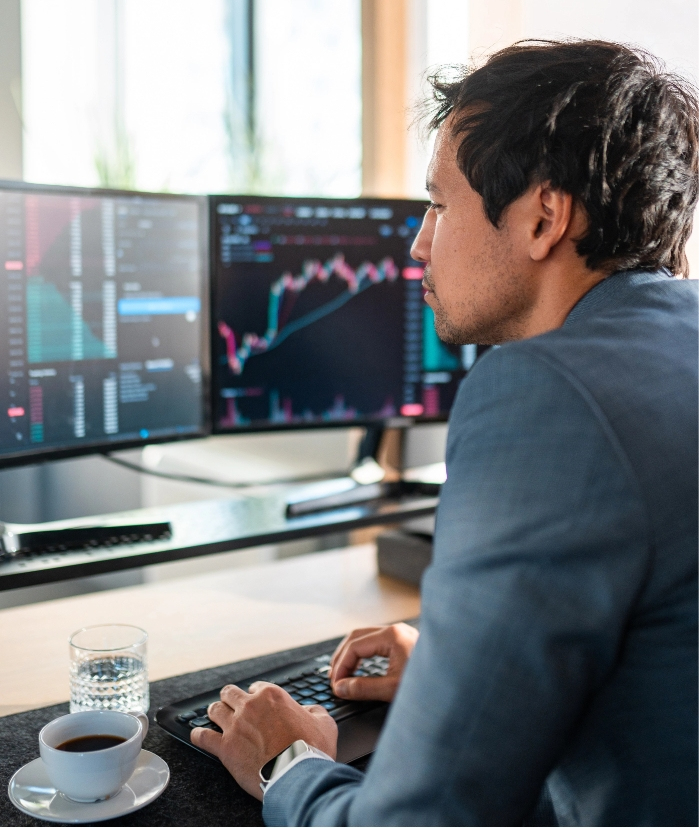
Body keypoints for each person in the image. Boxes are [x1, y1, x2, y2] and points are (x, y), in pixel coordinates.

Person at [192, 40, 699, 826]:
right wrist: (458, 671)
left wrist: (287, 762)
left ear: (542, 215)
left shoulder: (543, 393)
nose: (416, 244)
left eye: (437, 203)